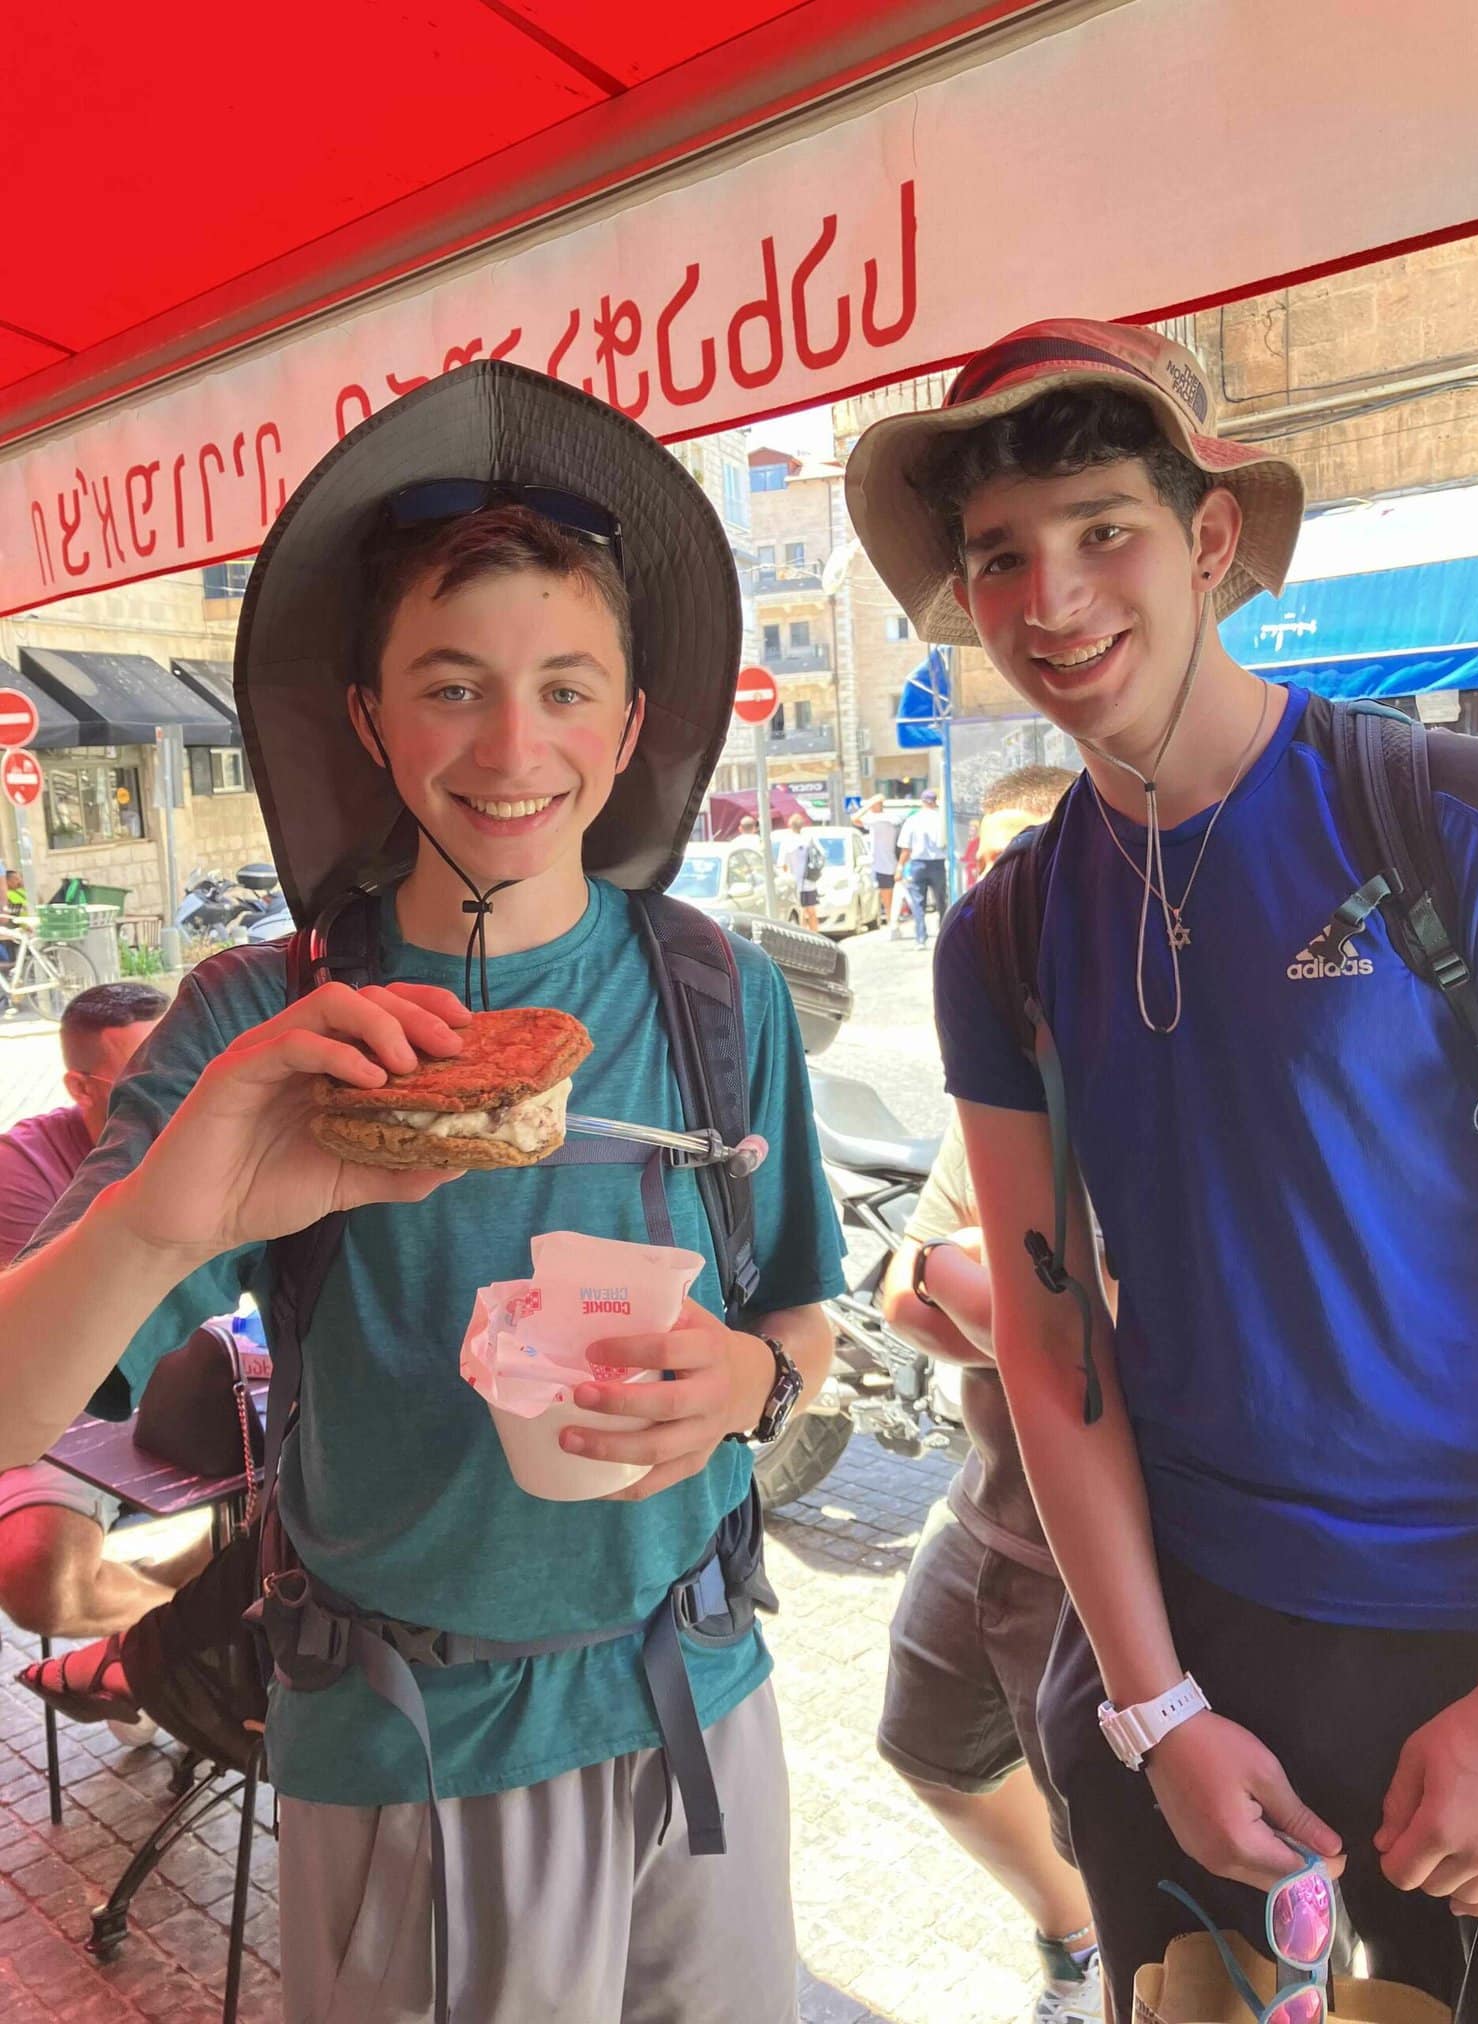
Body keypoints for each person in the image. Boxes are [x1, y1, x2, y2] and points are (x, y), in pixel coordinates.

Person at [0, 361, 843, 2024]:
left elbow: (800, 1314)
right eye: (450, 685)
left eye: (563, 686)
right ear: (371, 719)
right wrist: (178, 1209)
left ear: (629, 720)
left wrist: (750, 1381)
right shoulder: (263, 1016)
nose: (512, 745)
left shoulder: (708, 991)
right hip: (414, 1741)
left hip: (701, 1703)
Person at [846, 317, 1478, 2020]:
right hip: (1186, 1649)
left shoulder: (1445, 820)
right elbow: (1052, 1351)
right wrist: (1152, 1709)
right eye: (998, 555)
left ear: (1208, 537)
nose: (1049, 598)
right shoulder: (1003, 931)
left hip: (1472, 1640)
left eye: (1100, 530)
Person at [876, 768, 1104, 2024]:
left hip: (1106, 1551)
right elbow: (909, 1284)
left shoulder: (1153, 1059)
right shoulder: (1000, 1072)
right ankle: (1077, 1934)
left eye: (1041, 871)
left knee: (1133, 1823)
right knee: (926, 1744)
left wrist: (989, 1294)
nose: (1015, 908)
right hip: (989, 1510)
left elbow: (1123, 1344)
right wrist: (1024, 1309)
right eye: (993, 875)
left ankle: (1128, 1959)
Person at [0, 983, 206, 1693]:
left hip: (188, 1392)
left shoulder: (209, 1137)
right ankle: (172, 1658)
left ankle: (152, 1664)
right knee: (39, 1577)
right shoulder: (21, 1169)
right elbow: (52, 1355)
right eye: (144, 1079)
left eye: (189, 1073)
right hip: (70, 1413)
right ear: (81, 1089)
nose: (175, 1096)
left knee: (284, 1517)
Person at [896, 787, 949, 947]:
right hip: (938, 864)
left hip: (918, 864)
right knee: (941, 900)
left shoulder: (913, 820)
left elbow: (906, 848)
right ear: (934, 802)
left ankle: (921, 938)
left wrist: (899, 867)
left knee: (919, 902)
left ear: (922, 801)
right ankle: (943, 932)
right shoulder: (941, 819)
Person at [854, 792, 900, 926]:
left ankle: (892, 922)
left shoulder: (877, 819)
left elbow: (855, 818)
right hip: (888, 863)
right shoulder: (886, 819)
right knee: (889, 897)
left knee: (887, 898)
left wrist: (867, 806)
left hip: (883, 865)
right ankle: (893, 921)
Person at [781, 810, 821, 931]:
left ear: (789, 825)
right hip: (810, 881)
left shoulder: (786, 842)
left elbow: (782, 865)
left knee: (800, 912)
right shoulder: (809, 839)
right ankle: (817, 937)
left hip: (795, 883)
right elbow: (820, 856)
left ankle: (804, 938)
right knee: (812, 911)